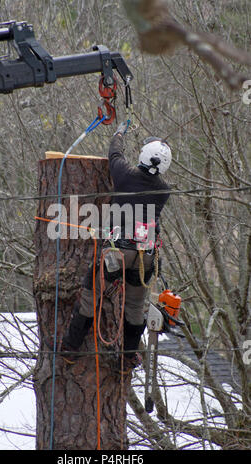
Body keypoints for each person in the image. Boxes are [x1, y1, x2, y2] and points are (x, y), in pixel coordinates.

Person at [61, 122, 172, 372]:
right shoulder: (165, 190)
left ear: (144, 156)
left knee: (91, 297)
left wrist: (119, 133)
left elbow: (115, 153)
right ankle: (127, 358)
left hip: (117, 251)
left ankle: (70, 349)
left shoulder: (125, 175)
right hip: (145, 256)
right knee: (134, 308)